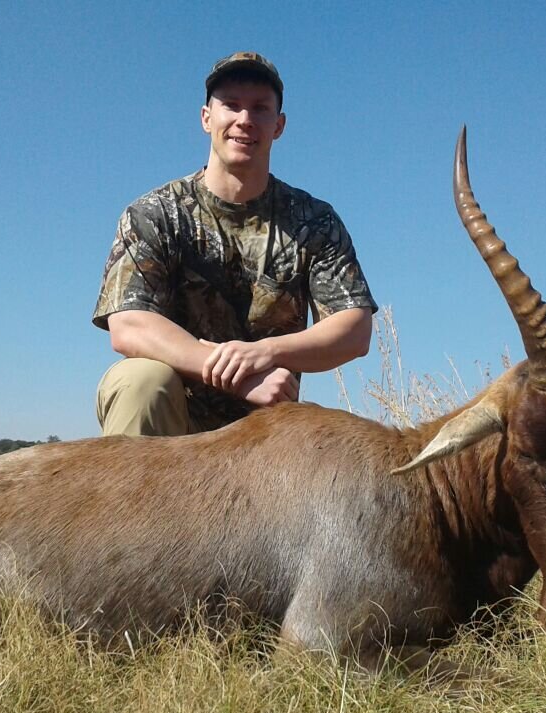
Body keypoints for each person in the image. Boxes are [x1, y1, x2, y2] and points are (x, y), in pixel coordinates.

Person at [92, 52, 377, 436]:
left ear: (278, 126)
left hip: (269, 425)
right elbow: (128, 325)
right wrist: (237, 375)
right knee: (140, 381)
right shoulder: (154, 213)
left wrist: (267, 353)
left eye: (260, 109)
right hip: (175, 420)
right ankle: (128, 497)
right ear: (206, 118)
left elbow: (355, 330)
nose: (245, 120)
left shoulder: (315, 220)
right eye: (231, 105)